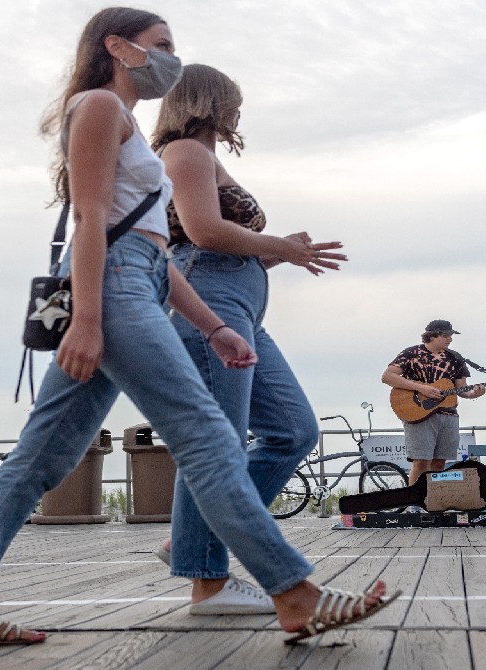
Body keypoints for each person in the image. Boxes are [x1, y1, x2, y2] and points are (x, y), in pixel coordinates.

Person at [0, 8, 388, 646]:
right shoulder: (100, 109)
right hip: (109, 292)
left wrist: (214, 326)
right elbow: (89, 221)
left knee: (41, 457)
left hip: (131, 284)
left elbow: (155, 253)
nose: (172, 56)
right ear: (118, 47)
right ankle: (295, 592)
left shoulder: (130, 129)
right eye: (161, 44)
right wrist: (88, 320)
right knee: (208, 440)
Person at [150, 63, 347, 613]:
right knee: (220, 445)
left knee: (292, 431)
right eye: (234, 101)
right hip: (212, 303)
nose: (239, 112)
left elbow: (221, 243)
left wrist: (278, 253)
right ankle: (205, 580)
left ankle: (188, 542)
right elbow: (202, 231)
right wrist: (277, 244)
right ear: (209, 101)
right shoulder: (185, 151)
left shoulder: (203, 157)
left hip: (240, 304)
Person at [382, 320, 485, 512]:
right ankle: (414, 503)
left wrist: (473, 394)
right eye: (446, 336)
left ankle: (435, 502)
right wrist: (422, 388)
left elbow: (460, 388)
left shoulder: (455, 358)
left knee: (440, 462)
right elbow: (387, 376)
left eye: (450, 336)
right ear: (432, 335)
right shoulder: (411, 353)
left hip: (448, 414)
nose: (450, 339)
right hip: (418, 413)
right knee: (420, 461)